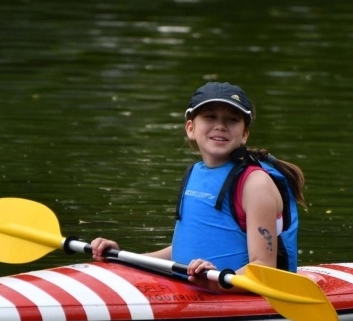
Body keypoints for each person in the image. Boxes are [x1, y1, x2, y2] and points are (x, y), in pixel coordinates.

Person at [90, 82, 306, 292]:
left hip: (232, 294)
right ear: (191, 128)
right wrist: (122, 258)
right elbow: (183, 250)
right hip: (189, 287)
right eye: (210, 117)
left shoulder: (255, 184)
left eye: (232, 119)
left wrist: (218, 283)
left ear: (244, 134)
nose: (220, 125)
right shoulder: (195, 173)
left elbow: (264, 267)